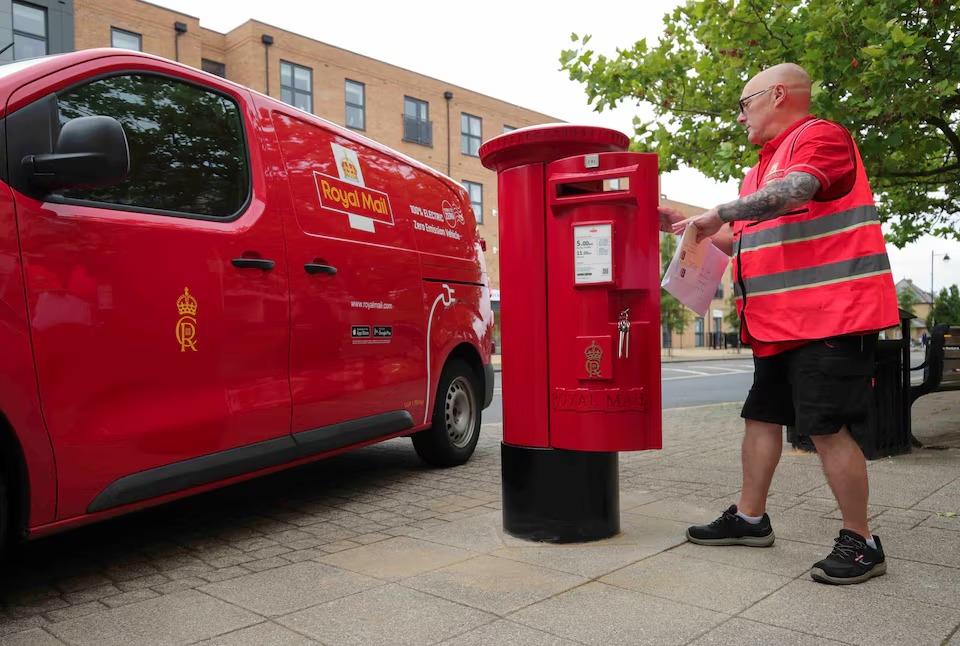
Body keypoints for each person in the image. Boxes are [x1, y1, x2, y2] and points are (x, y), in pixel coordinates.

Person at [658, 63, 900, 585]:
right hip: (777, 324)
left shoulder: (820, 137)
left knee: (824, 427)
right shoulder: (759, 171)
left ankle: (863, 541)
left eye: (744, 104)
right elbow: (741, 239)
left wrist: (717, 213)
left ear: (779, 95)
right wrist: (682, 222)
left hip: (832, 315)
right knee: (761, 417)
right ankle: (750, 519)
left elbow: (796, 192)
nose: (741, 116)